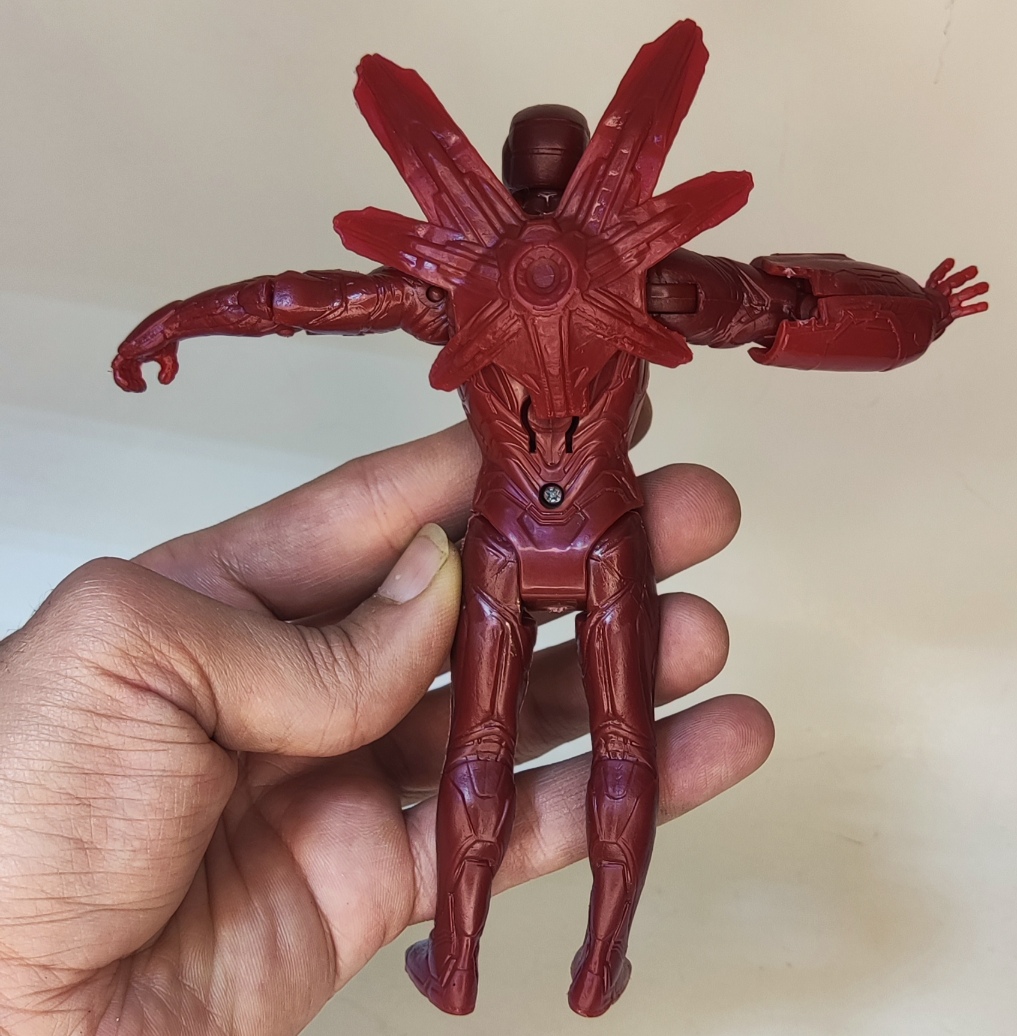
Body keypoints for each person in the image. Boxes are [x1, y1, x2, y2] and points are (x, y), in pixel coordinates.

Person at [0, 420, 772, 1032]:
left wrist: (176, 326)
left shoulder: (471, 283)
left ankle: (456, 959)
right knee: (624, 744)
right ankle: (601, 958)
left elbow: (322, 299)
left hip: (504, 525)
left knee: (479, 743)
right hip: (606, 521)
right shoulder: (634, 286)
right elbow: (778, 308)